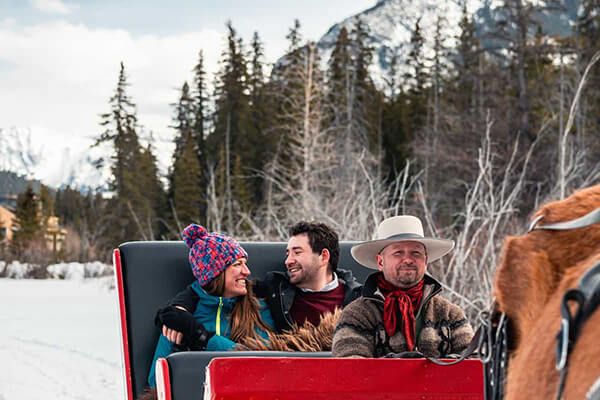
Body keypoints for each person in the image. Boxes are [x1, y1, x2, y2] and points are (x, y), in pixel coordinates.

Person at [158, 221, 362, 342]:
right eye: (287, 253)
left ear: (324, 257)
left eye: (297, 252)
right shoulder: (275, 288)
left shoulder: (358, 298)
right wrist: (176, 311)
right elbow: (213, 287)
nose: (288, 260)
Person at [147, 224, 274, 387]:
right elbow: (156, 383)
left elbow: (265, 366)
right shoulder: (181, 317)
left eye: (245, 263)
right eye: (237, 264)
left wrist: (203, 338)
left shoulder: (259, 309)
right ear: (216, 273)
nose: (247, 271)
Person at [332, 215, 474, 358]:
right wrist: (398, 366)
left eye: (416, 253)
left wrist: (445, 366)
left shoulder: (450, 314)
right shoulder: (357, 314)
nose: (407, 260)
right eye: (398, 253)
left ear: (426, 261)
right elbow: (349, 367)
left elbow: (473, 363)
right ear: (380, 262)